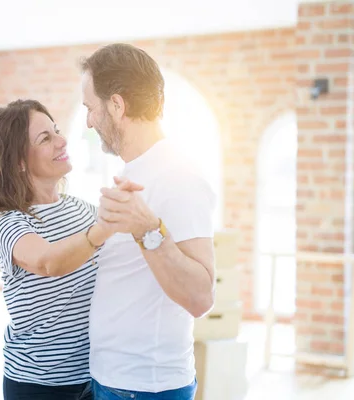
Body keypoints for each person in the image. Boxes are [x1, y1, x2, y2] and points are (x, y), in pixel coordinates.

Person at [0, 99, 141, 400]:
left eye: (56, 131)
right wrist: (105, 227)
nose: (62, 141)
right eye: (45, 138)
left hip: (91, 377)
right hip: (37, 385)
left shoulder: (83, 211)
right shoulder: (8, 222)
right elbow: (48, 262)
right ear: (18, 161)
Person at [80, 43, 217, 399]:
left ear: (116, 105)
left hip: (144, 388)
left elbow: (201, 297)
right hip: (114, 381)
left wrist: (147, 229)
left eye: (90, 109)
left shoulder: (179, 177)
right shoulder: (136, 171)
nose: (88, 121)